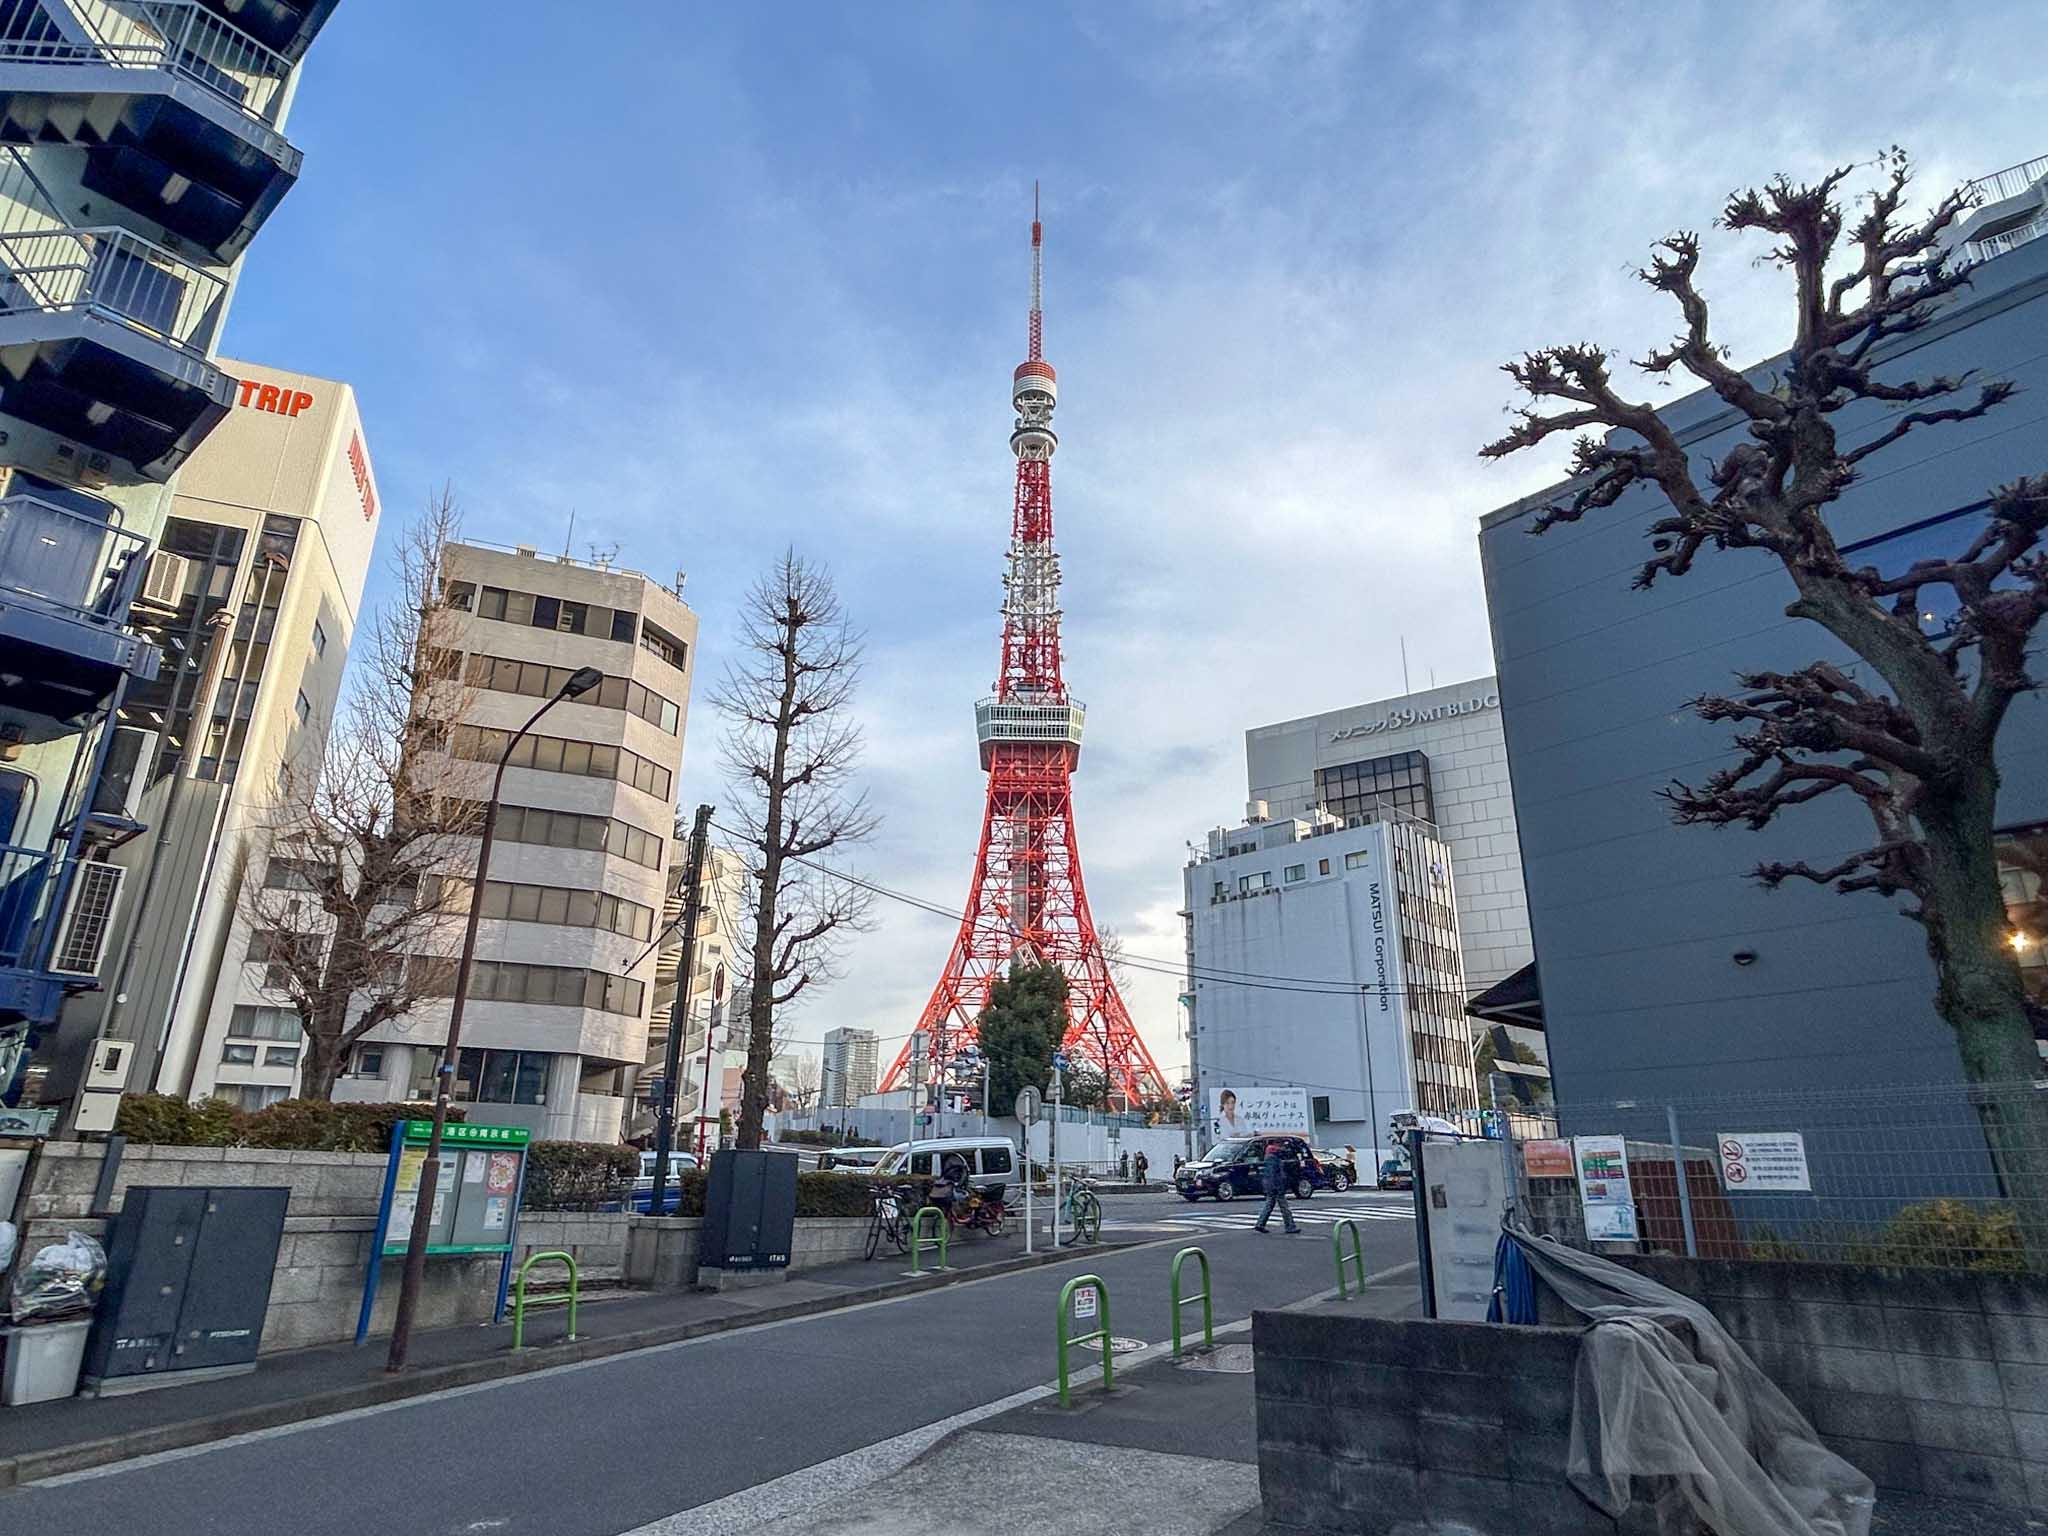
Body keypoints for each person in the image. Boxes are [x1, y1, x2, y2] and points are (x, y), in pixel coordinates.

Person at [1254, 1139, 1300, 1235]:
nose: (1280, 1147)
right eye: (1279, 1144)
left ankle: (1260, 1224)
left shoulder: (1268, 1156)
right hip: (1276, 1185)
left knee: (1269, 1204)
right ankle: (1290, 1226)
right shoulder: (1273, 1158)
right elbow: (1274, 1174)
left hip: (1270, 1184)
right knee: (1284, 1207)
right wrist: (1279, 1186)